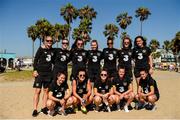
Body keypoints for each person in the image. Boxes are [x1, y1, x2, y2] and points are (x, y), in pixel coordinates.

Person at [32, 36, 54, 117]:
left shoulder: (53, 50)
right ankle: (35, 109)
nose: (49, 42)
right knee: (37, 91)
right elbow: (36, 59)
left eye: (51, 41)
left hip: (48, 74)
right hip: (40, 74)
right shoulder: (40, 49)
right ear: (44, 41)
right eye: (47, 41)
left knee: (46, 91)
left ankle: (44, 108)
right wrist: (34, 70)